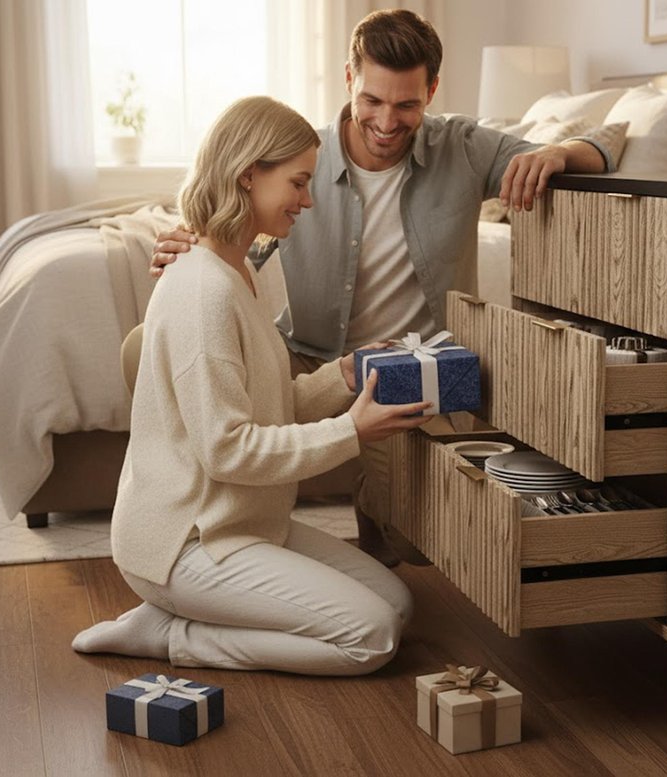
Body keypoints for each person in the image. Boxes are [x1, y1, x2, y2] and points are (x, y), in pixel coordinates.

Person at [152, 9, 611, 566]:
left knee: (416, 548)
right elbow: (236, 244)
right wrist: (194, 249)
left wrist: (558, 153)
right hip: (307, 359)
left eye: (407, 105)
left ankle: (373, 507)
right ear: (349, 80)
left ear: (432, 91)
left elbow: (608, 142)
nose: (387, 122)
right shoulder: (303, 158)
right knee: (148, 352)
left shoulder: (463, 146)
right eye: (372, 100)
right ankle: (181, 518)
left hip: (410, 366)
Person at [72, 96, 433, 675]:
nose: (309, 200)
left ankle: (185, 616)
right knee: (371, 637)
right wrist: (350, 431)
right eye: (297, 182)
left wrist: (343, 374)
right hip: (186, 541)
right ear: (248, 175)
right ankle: (173, 635)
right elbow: (228, 447)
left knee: (396, 604)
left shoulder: (241, 271)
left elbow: (269, 406)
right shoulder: (203, 290)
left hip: (244, 521)